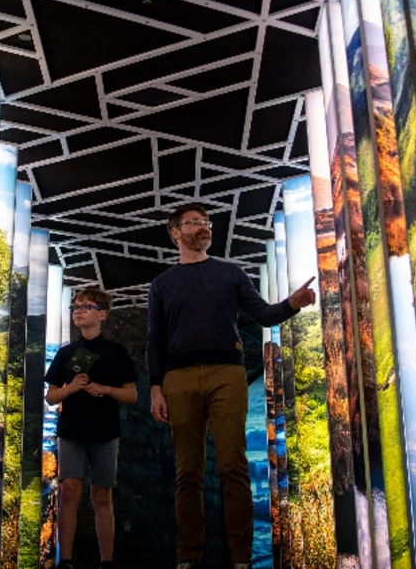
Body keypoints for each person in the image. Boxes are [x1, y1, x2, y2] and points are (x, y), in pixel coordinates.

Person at [147, 202, 315, 569]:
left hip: (227, 374)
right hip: (178, 378)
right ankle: (188, 556)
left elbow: (263, 314)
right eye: (192, 223)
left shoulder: (231, 273)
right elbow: (155, 339)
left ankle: (241, 558)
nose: (202, 227)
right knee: (187, 471)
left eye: (205, 222)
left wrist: (293, 304)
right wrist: (156, 388)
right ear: (175, 233)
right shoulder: (161, 284)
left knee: (233, 466)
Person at [44, 287, 138, 569]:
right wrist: (72, 388)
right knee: (68, 492)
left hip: (105, 432)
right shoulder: (65, 354)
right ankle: (66, 560)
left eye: (86, 307)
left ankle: (106, 561)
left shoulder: (116, 353)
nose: (79, 311)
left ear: (103, 315)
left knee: (102, 494)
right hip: (71, 431)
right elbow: (51, 397)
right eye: (76, 307)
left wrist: (106, 389)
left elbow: (131, 395)